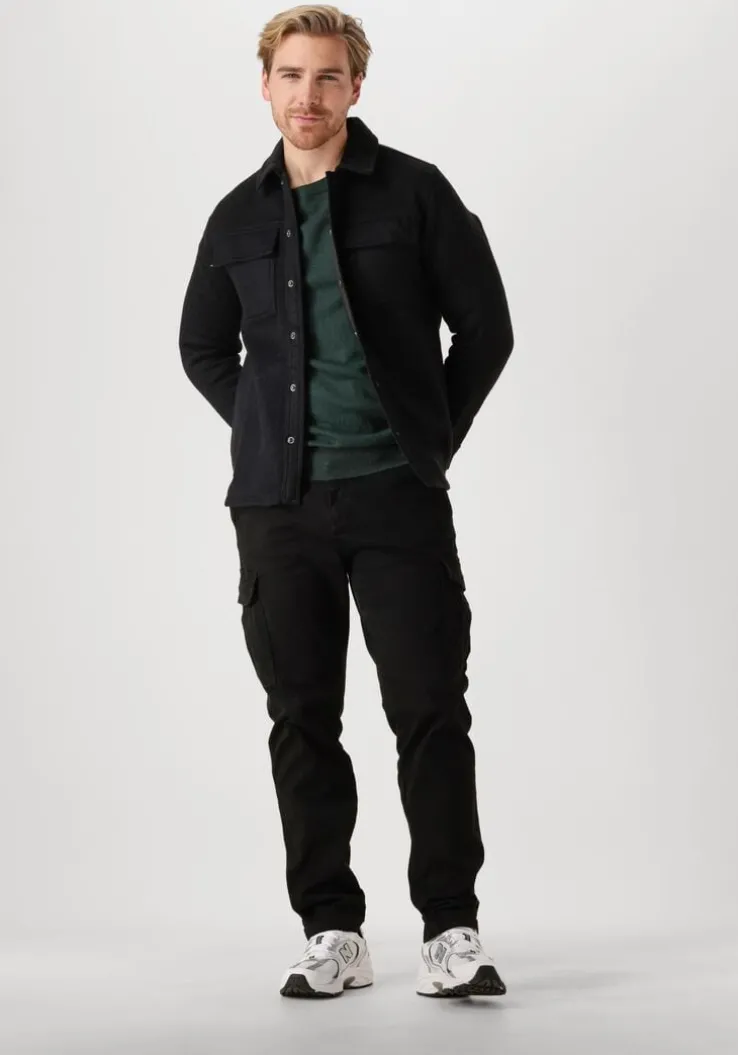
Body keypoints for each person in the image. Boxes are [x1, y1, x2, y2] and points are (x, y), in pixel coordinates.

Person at [179, 4, 514, 999]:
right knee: (301, 717)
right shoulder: (236, 216)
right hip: (278, 510)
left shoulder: (414, 192)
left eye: (328, 76)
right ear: (265, 85)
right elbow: (202, 345)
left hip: (395, 498)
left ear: (356, 86)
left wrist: (424, 438)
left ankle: (451, 927)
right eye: (291, 75)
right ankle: (332, 928)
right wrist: (269, 426)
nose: (308, 95)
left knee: (429, 708)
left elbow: (486, 329)